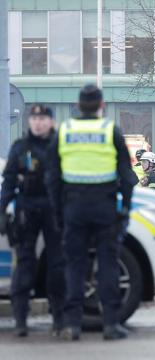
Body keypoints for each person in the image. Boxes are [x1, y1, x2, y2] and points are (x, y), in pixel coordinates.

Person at [47, 84, 138, 341]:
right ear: (101, 105)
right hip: (104, 207)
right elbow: (127, 177)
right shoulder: (110, 131)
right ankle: (110, 324)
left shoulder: (65, 131)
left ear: (78, 104)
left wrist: (58, 211)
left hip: (73, 207)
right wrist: (125, 209)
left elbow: (52, 177)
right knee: (107, 264)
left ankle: (72, 325)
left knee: (74, 265)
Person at [0, 105, 65, 337]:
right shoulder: (20, 147)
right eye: (35, 118)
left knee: (57, 266)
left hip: (53, 210)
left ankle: (59, 319)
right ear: (29, 121)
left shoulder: (60, 146)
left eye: (43, 118)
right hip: (26, 210)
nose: (38, 123)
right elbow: (8, 181)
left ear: (51, 121)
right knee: (25, 265)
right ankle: (20, 320)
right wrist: (1, 210)